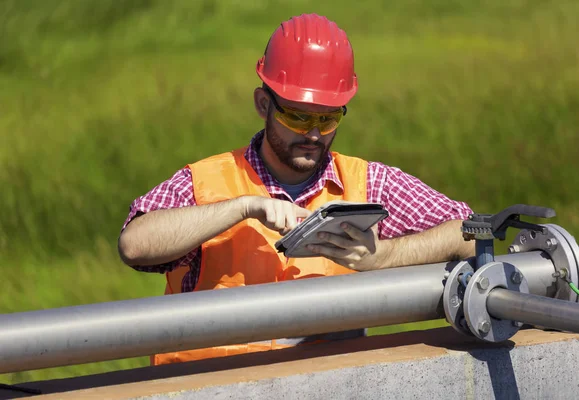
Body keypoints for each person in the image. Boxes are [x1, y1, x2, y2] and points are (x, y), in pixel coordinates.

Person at [118, 13, 475, 365]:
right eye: (297, 116)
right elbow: (135, 245)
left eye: (328, 118)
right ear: (263, 104)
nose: (314, 134)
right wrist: (242, 207)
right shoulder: (205, 182)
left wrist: (380, 256)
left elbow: (471, 234)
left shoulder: (370, 184)